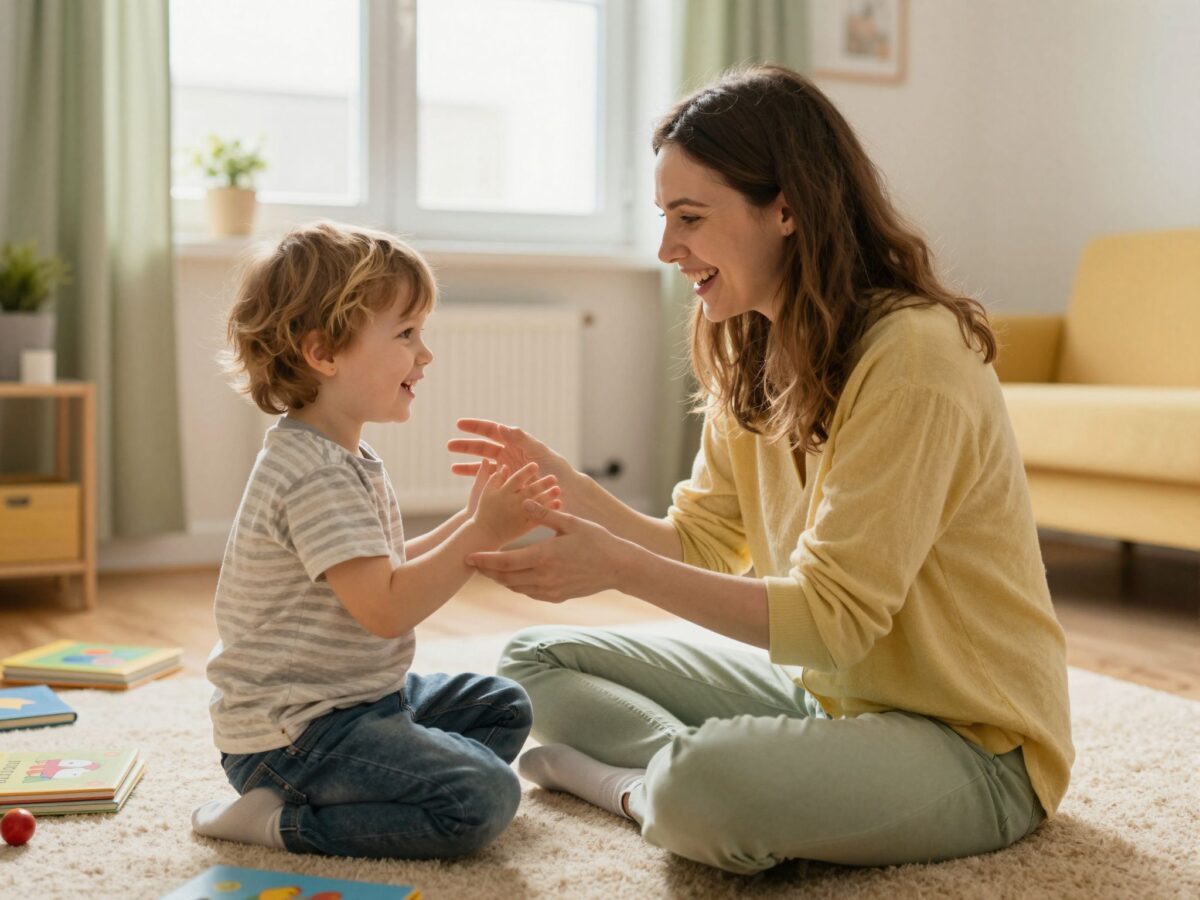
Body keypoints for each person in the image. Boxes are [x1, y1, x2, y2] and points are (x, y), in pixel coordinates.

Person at [449, 65, 1074, 875]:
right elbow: (704, 542)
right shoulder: (751, 343)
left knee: (703, 793)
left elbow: (831, 620)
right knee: (531, 667)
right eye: (664, 217)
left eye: (690, 218)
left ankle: (662, 789)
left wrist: (616, 567)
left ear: (786, 208)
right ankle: (702, 780)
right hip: (830, 699)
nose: (669, 249)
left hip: (974, 746)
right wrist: (571, 488)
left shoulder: (914, 359)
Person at [191, 220, 561, 858]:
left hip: (358, 699)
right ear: (324, 353)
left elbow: (381, 570)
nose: (426, 355)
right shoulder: (312, 473)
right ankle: (277, 821)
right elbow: (385, 609)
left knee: (502, 707)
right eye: (407, 334)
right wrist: (479, 529)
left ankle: (378, 785)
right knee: (485, 798)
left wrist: (472, 526)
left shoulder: (338, 453)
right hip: (295, 738)